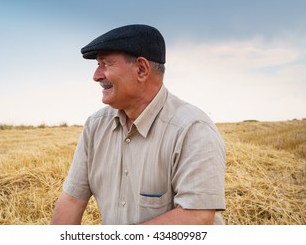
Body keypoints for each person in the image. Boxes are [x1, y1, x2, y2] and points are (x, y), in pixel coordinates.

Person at [51, 24, 226, 225]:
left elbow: (197, 218)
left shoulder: (192, 129)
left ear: (141, 69)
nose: (96, 75)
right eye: (97, 65)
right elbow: (72, 200)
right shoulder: (95, 126)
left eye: (105, 64)